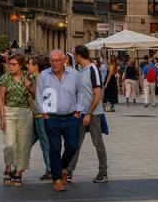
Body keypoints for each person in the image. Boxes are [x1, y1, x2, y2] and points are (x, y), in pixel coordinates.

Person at [36, 49, 89, 192]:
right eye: (52, 61)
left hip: (71, 117)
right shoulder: (44, 75)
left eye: (57, 60)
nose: (54, 63)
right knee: (54, 148)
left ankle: (61, 167)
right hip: (52, 118)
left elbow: (80, 93)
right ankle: (57, 179)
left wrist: (78, 111)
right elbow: (39, 96)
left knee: (72, 146)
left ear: (64, 60)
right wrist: (44, 114)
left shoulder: (74, 75)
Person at [66, 45, 108, 185]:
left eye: (74, 55)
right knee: (75, 143)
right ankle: (69, 172)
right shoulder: (80, 71)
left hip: (93, 113)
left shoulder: (92, 69)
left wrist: (89, 113)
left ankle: (103, 172)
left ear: (78, 56)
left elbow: (97, 93)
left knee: (98, 143)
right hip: (81, 113)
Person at [0, 54, 35, 187]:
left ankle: (18, 172)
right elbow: (0, 99)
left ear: (21, 65)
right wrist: (2, 118)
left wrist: (30, 87)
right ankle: (8, 169)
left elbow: (36, 95)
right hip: (9, 111)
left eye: (13, 64)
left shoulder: (28, 76)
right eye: (9, 64)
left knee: (23, 145)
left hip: (25, 112)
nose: (10, 66)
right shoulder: (5, 78)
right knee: (10, 144)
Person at [27, 56, 52, 179]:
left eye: (30, 64)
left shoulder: (42, 79)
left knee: (45, 143)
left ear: (36, 66)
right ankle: (18, 167)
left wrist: (28, 87)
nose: (28, 66)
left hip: (41, 116)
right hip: (35, 115)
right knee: (26, 142)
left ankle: (50, 169)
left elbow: (38, 96)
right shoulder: (34, 78)